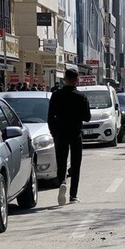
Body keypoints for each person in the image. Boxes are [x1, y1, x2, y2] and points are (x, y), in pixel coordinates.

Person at [48, 69, 91, 205]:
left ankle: (62, 182)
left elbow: (50, 117)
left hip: (60, 133)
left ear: (64, 79)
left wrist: (53, 132)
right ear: (76, 80)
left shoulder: (56, 95)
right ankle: (73, 195)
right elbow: (87, 117)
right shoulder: (81, 97)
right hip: (76, 133)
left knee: (61, 162)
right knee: (76, 164)